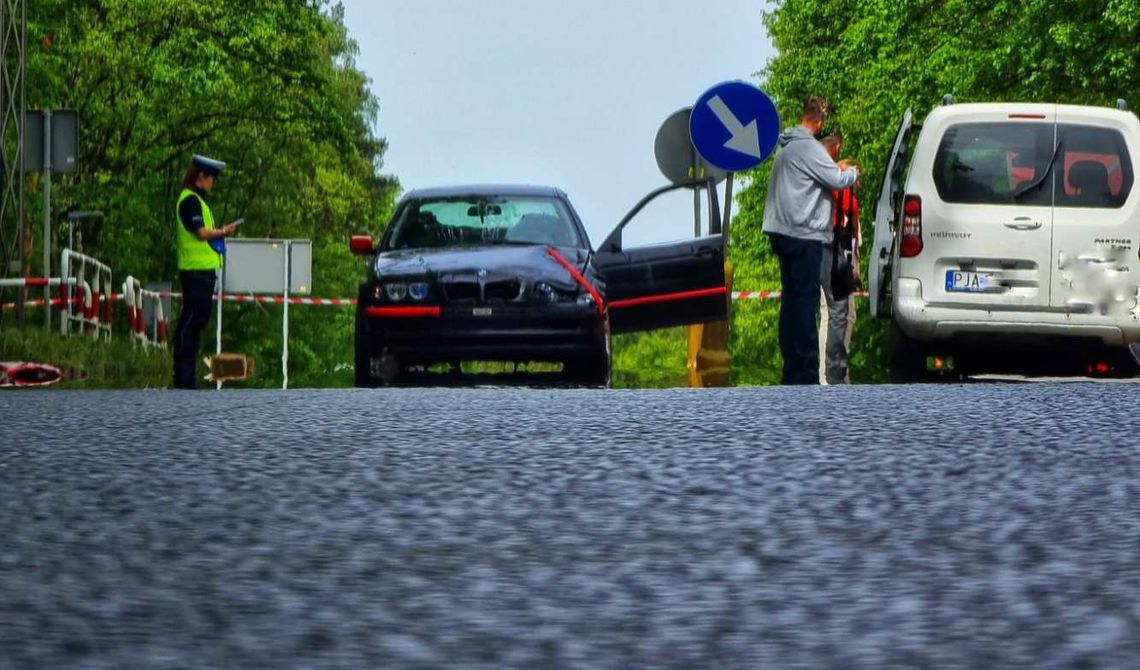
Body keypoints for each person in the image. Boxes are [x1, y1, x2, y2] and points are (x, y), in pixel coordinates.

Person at [762, 97, 859, 385]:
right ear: (820, 122)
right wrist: (853, 173)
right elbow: (836, 179)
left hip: (781, 231)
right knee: (805, 303)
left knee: (790, 301)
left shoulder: (787, 147)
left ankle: (791, 366)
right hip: (803, 234)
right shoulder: (809, 148)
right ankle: (805, 370)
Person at [172, 155, 239, 389]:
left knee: (197, 321)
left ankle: (187, 378)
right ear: (202, 176)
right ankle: (183, 377)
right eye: (213, 178)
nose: (214, 183)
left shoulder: (198, 201)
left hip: (203, 270)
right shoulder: (190, 201)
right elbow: (201, 233)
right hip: (195, 270)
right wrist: (223, 231)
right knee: (191, 321)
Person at [818, 135, 861, 384]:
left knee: (833, 311)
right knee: (838, 311)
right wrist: (854, 264)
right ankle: (833, 372)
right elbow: (852, 236)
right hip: (833, 251)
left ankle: (829, 371)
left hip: (820, 247)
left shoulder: (826, 188)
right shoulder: (843, 196)